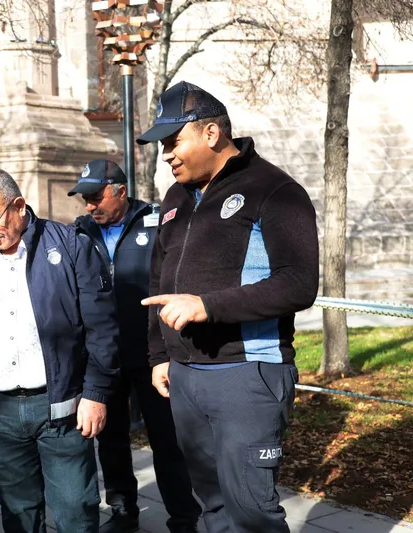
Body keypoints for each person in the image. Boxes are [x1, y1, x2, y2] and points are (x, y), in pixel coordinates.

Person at [137, 81, 319, 533]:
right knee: (213, 506)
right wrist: (159, 355)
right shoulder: (176, 197)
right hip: (183, 377)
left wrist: (208, 306)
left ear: (212, 133)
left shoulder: (275, 189)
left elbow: (299, 284)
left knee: (252, 512)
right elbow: (159, 282)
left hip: (247, 374)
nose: (166, 155)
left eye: (173, 141)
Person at [0, 168, 120, 533]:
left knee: (76, 510)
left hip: (62, 408)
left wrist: (96, 394)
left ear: (19, 206)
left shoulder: (69, 246)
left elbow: (102, 328)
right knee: (18, 514)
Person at [69, 159, 201, 533]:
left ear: (121, 191)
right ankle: (123, 510)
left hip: (152, 353)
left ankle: (184, 518)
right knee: (110, 438)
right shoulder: (79, 233)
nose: (90, 206)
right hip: (103, 356)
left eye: (96, 197)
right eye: (85, 199)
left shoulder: (157, 222)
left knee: (167, 439)